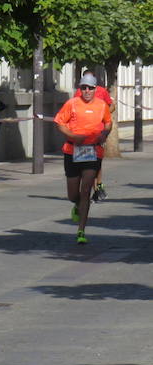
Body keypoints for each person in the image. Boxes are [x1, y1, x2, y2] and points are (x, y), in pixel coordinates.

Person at [54, 72, 112, 244]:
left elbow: (108, 122)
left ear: (96, 89)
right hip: (72, 151)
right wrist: (73, 136)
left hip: (93, 153)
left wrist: (104, 134)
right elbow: (59, 123)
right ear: (80, 89)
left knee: (86, 190)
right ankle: (76, 204)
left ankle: (81, 231)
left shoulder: (102, 105)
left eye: (90, 88)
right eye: (83, 88)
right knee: (73, 194)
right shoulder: (71, 104)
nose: (87, 91)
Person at [71, 70, 114, 202]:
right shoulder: (79, 92)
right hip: (82, 134)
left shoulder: (102, 91)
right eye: (85, 85)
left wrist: (101, 114)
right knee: (84, 163)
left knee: (96, 162)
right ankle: (89, 190)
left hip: (98, 133)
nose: (87, 90)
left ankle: (97, 188)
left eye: (90, 86)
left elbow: (111, 106)